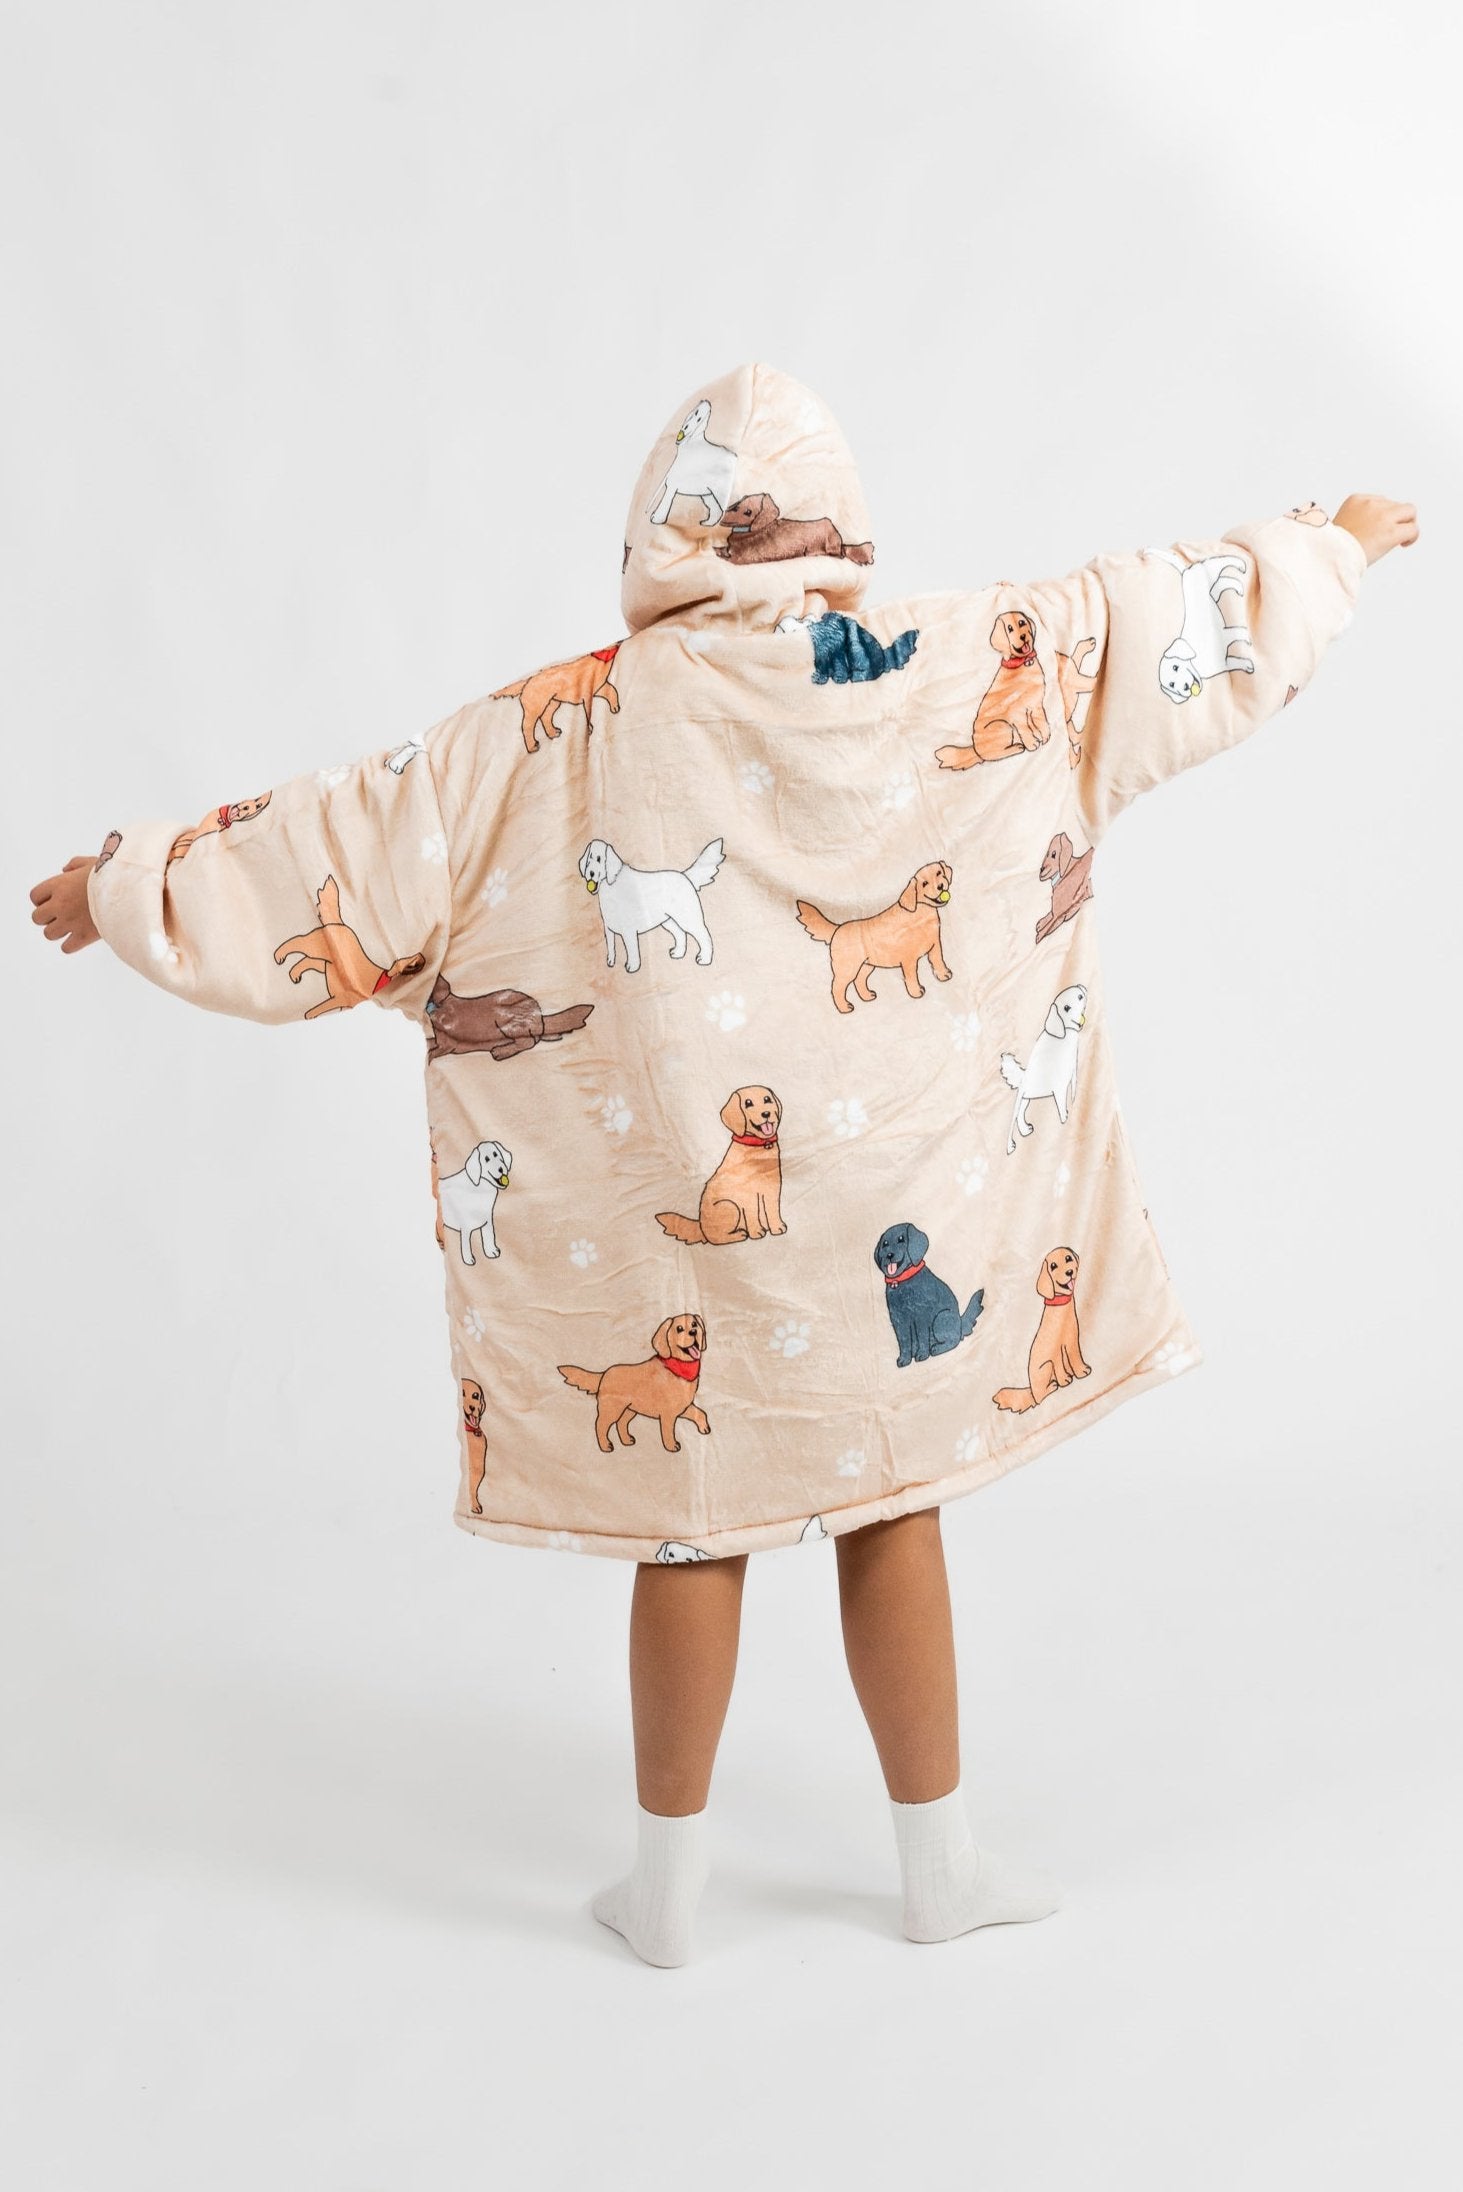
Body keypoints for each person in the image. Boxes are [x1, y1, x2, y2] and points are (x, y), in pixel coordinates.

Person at [30, 362, 1417, 1968]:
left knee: (692, 1531)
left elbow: (342, 840)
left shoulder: (553, 729)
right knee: (893, 1513)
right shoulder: (948, 661)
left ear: (661, 534)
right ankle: (940, 1870)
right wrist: (1326, 546)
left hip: (684, 1243)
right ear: (840, 529)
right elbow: (1149, 622)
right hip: (893, 1218)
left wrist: (131, 887)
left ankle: (667, 1897)